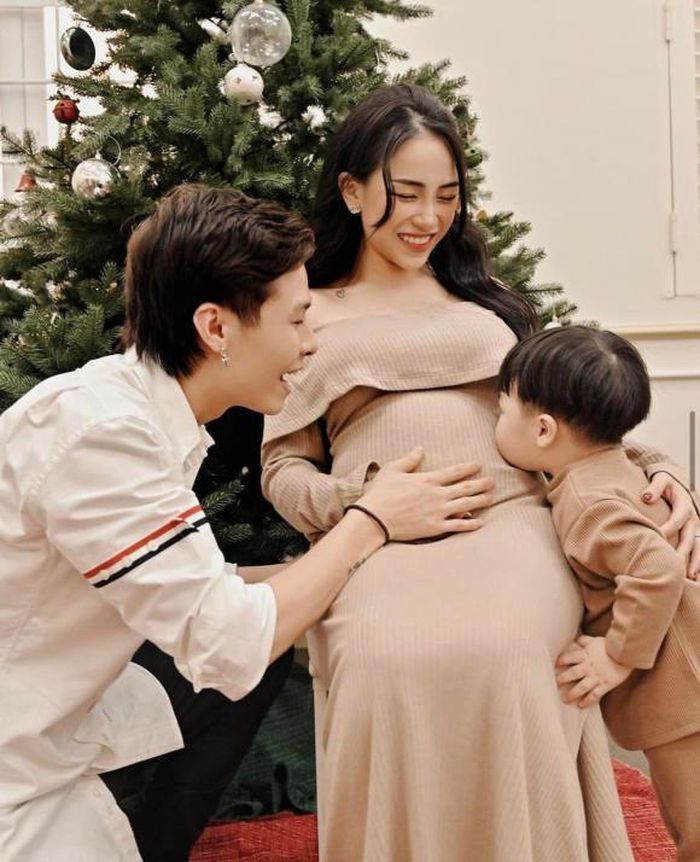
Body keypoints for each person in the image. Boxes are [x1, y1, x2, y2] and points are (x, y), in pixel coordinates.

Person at [260, 84, 700, 861]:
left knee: (511, 649)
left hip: (515, 521)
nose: (428, 217)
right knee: (382, 660)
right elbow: (282, 467)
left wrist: (662, 471)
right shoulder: (307, 311)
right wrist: (366, 504)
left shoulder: (489, 305)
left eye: (447, 196)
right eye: (406, 194)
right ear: (353, 191)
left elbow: (567, 417)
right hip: (382, 539)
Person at [0, 184, 483, 862]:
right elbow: (227, 639)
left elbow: (203, 586)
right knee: (246, 652)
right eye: (297, 321)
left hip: (48, 710)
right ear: (217, 328)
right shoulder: (101, 436)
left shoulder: (138, 413)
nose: (311, 345)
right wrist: (370, 521)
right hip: (15, 754)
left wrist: (354, 567)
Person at [494, 324, 700, 861]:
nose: (497, 421)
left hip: (684, 697)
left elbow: (656, 568)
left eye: (502, 409)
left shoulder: (589, 502)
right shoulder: (619, 466)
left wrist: (617, 655)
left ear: (543, 430)